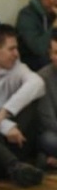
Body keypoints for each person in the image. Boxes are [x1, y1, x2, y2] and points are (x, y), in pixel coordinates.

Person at [0, 24, 45, 187]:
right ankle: (14, 166)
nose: (16, 54)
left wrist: (3, 114)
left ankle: (12, 166)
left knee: (32, 104)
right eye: (11, 49)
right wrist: (4, 125)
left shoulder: (17, 68)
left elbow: (37, 83)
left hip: (13, 138)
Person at [16, 0, 57, 71]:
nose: (51, 0)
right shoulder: (26, 15)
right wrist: (55, 26)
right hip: (34, 68)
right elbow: (39, 49)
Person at [37, 32, 57, 168]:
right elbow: (48, 121)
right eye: (56, 53)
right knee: (48, 139)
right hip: (54, 132)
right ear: (50, 55)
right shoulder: (42, 78)